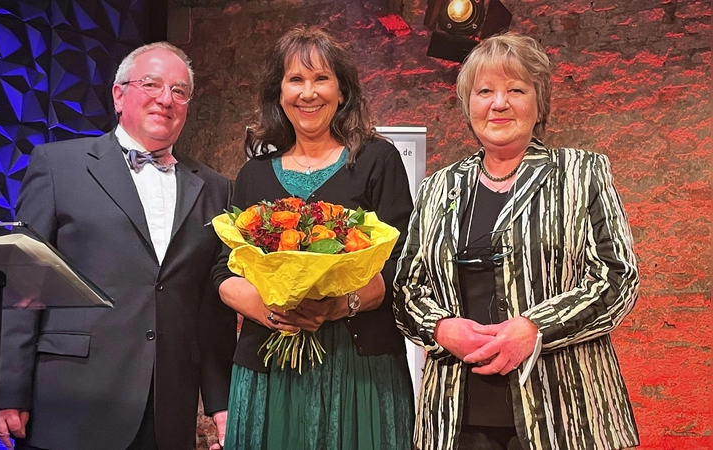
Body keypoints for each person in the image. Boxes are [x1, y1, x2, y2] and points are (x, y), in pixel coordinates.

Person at [394, 33, 639, 450]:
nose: (499, 103)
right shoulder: (438, 187)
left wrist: (536, 328)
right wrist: (440, 327)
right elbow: (405, 289)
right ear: (468, 105)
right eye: (484, 91)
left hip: (565, 413)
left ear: (539, 102)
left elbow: (617, 279)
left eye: (516, 90)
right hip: (456, 417)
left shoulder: (581, 173)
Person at [0, 42, 237, 450]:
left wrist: (222, 403)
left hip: (167, 408)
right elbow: (23, 284)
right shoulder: (58, 166)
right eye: (151, 84)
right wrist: (7, 389)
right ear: (119, 94)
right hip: (71, 400)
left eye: (179, 91)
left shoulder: (215, 187)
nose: (166, 99)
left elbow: (210, 310)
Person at [211, 27, 414, 449]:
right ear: (278, 93)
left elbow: (402, 264)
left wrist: (341, 304)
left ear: (342, 92)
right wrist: (275, 311)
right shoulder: (253, 174)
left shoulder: (378, 160)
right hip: (270, 366)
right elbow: (222, 269)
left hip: (359, 368)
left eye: (321, 79)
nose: (308, 93)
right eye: (295, 80)